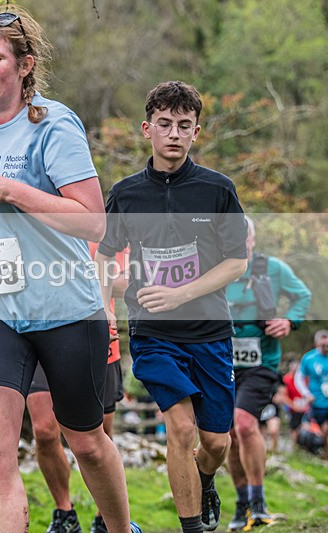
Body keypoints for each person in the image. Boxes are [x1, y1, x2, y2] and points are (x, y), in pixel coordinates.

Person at [0, 7, 140, 532]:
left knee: (87, 442)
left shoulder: (55, 123)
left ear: (24, 65)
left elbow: (93, 222)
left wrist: (12, 190)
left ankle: (120, 528)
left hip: (64, 306)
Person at [95, 81, 248, 533]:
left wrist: (181, 294)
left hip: (210, 331)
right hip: (153, 334)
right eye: (165, 124)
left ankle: (204, 479)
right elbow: (104, 257)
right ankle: (192, 527)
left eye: (184, 126)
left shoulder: (217, 190)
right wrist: (123, 289)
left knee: (215, 443)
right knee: (180, 431)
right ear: (147, 128)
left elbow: (237, 262)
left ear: (196, 132)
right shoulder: (126, 194)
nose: (174, 134)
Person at [26, 244, 128, 533]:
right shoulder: (33, 216)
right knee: (44, 432)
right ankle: (64, 513)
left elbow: (126, 281)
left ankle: (104, 518)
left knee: (98, 438)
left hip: (96, 338)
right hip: (40, 333)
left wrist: (80, 277)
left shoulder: (100, 226)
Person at [224, 215, 310, 531]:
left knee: (246, 424)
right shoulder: (214, 270)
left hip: (261, 361)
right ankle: (242, 501)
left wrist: (289, 320)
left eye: (242, 236)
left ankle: (258, 501)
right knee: (231, 435)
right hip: (222, 362)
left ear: (252, 239)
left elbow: (302, 296)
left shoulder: (272, 269)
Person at [295, 330, 328, 459]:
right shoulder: (309, 358)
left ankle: (326, 458)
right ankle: (310, 455)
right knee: (312, 432)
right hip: (315, 402)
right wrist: (306, 394)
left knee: (326, 429)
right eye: (323, 345)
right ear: (317, 343)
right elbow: (298, 378)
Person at [279, 360, 309, 445]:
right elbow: (284, 396)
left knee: (306, 425)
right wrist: (293, 406)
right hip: (292, 407)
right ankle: (295, 446)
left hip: (305, 406)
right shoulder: (287, 379)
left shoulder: (305, 379)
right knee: (294, 427)